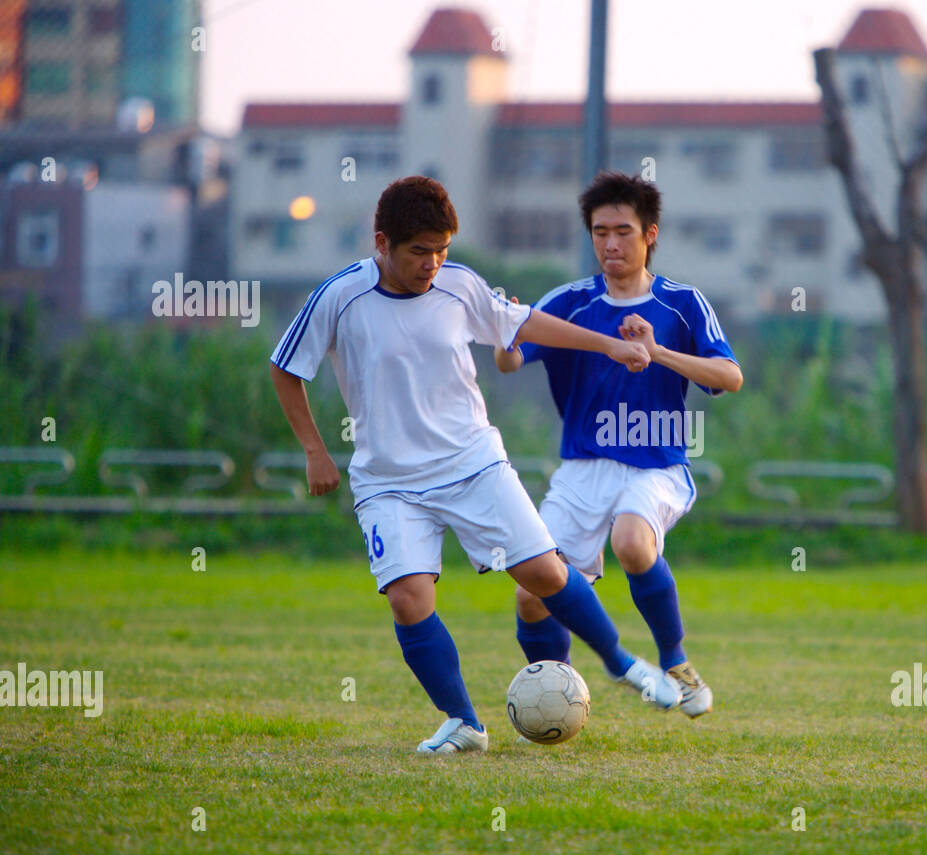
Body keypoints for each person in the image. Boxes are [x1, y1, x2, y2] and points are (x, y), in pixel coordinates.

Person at [268, 176, 682, 756]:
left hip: (473, 463)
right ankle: (464, 721)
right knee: (409, 599)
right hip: (388, 481)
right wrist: (314, 449)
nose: (432, 263)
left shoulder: (460, 285)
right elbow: (285, 368)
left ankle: (621, 663)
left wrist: (609, 344)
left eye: (442, 250)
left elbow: (523, 323)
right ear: (383, 243)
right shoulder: (340, 296)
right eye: (419, 251)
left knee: (543, 575)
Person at [494, 171, 742, 718]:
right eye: (600, 231)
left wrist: (660, 353)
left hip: (657, 468)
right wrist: (506, 335)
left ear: (650, 234)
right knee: (531, 594)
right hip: (583, 469)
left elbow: (729, 377)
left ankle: (675, 661)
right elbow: (511, 361)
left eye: (623, 231)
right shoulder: (570, 301)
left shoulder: (681, 303)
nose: (610, 243)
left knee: (632, 541)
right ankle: (553, 699)